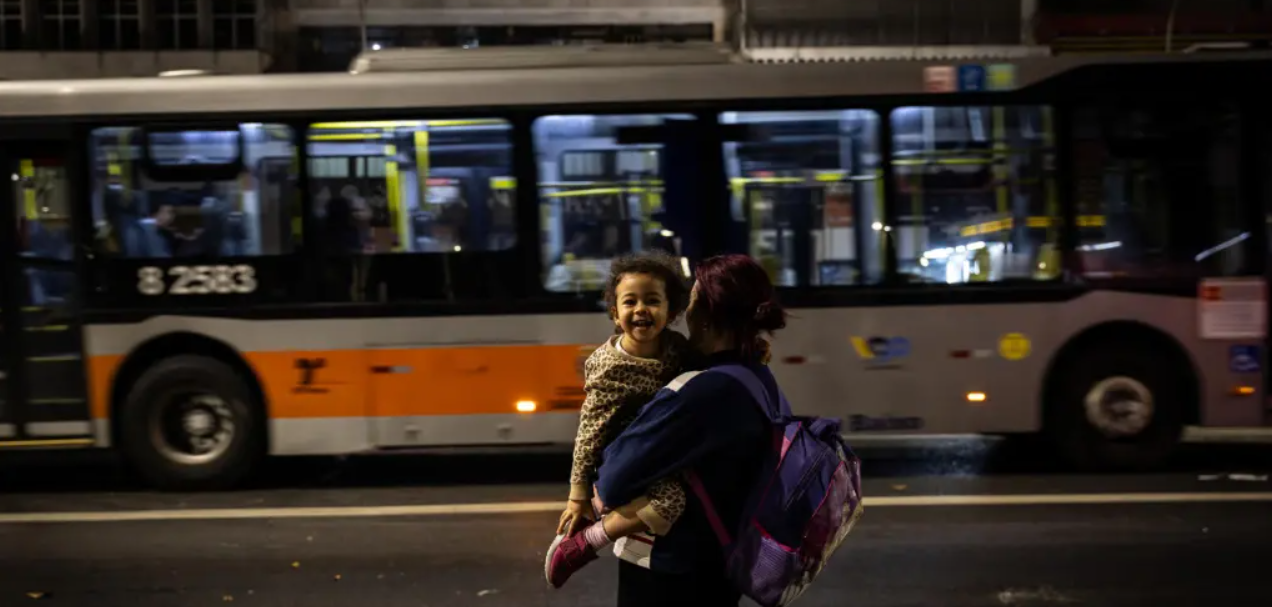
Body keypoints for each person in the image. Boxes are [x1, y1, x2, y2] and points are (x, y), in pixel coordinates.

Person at [547, 253, 788, 606]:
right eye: (630, 301)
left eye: (688, 301)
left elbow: (613, 483)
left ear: (705, 316)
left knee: (662, 501)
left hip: (674, 569)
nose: (643, 310)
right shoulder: (757, 376)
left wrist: (594, 487)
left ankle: (585, 542)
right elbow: (592, 424)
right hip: (724, 556)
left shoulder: (699, 389)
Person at [544, 250, 695, 589]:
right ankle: (585, 542)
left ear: (671, 312)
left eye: (652, 301)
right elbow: (589, 431)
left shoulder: (676, 346)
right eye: (630, 302)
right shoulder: (609, 366)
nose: (640, 309)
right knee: (671, 502)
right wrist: (577, 495)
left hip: (661, 444)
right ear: (615, 313)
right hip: (627, 454)